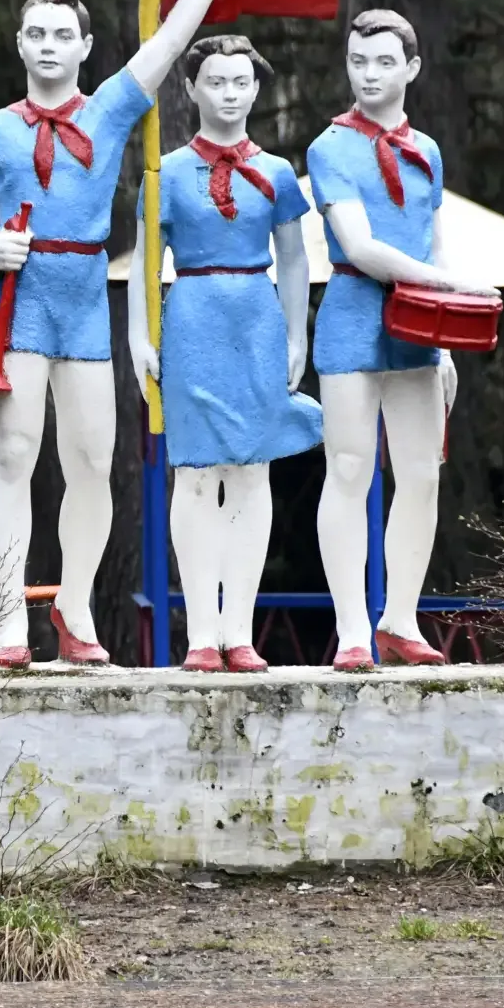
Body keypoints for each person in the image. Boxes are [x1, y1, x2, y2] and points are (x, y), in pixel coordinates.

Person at [0, 0, 264, 670]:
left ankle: (76, 607)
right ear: (20, 44)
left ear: (85, 47)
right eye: (37, 34)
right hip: (20, 305)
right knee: (12, 458)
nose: (50, 46)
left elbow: (172, 40)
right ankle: (10, 622)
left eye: (64, 35)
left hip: (86, 300)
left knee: (92, 460)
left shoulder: (112, 108)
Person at [306, 9, 498, 671]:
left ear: (412, 68)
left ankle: (401, 617)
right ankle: (352, 629)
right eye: (359, 61)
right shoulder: (331, 147)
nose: (369, 74)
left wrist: (444, 338)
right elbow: (359, 246)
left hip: (418, 327)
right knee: (349, 469)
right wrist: (452, 284)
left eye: (385, 62)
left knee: (420, 474)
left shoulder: (428, 151)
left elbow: (435, 237)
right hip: (354, 315)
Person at [128, 35, 321, 673]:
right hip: (192, 318)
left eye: (240, 82)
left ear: (257, 89)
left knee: (251, 471)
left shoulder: (277, 172)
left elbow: (294, 259)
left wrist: (296, 335)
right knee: (195, 473)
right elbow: (144, 263)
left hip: (256, 320)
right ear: (190, 88)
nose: (228, 94)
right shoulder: (165, 172)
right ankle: (201, 634)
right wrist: (139, 336)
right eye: (215, 81)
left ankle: (239, 628)